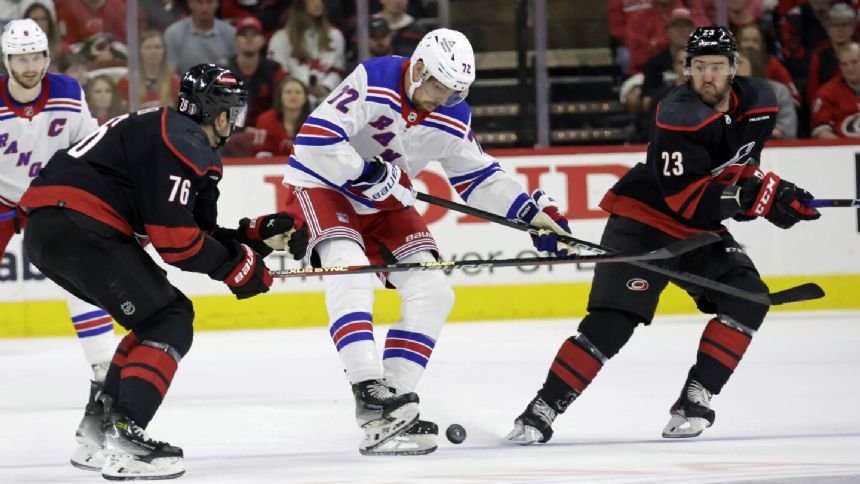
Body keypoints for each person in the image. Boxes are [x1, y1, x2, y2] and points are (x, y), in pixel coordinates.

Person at [505, 26, 821, 446]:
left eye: (718, 67)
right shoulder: (678, 111)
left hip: (697, 228)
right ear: (686, 69)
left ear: (734, 69)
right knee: (611, 325)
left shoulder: (761, 103)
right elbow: (687, 199)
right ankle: (541, 409)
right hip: (643, 220)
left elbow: (738, 171)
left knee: (748, 297)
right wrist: (751, 198)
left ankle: (695, 399)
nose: (709, 76)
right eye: (700, 67)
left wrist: (775, 196)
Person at [280, 28, 573, 456]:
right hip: (324, 185)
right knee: (350, 270)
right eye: (439, 87)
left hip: (385, 198)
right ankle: (367, 388)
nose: (443, 99)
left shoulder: (452, 114)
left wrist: (529, 213)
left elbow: (478, 176)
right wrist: (365, 172)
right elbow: (314, 140)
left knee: (434, 292)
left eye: (456, 92)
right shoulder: (374, 78)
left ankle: (390, 405)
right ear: (418, 70)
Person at [19, 63, 308, 480]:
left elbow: (197, 231)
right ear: (214, 111)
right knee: (169, 320)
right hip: (79, 226)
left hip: (55, 229)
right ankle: (127, 437)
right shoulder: (182, 139)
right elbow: (176, 243)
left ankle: (99, 433)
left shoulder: (176, 133)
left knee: (154, 318)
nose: (236, 121)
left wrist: (256, 237)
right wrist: (236, 267)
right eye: (233, 110)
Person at [0, 18, 121, 469]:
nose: (29, 67)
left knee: (79, 278)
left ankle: (104, 372)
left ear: (46, 56)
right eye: (20, 58)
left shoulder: (69, 91)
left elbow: (88, 148)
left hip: (51, 197)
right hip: (1, 197)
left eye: (36, 57)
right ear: (7, 60)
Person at [267, 0, 345, 105]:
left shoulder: (335, 36)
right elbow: (277, 73)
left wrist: (325, 87)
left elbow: (338, 70)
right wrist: (300, 88)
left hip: (327, 98)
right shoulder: (281, 38)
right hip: (292, 99)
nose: (318, 3)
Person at [227, 16, 286, 127]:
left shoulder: (275, 70)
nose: (249, 39)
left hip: (267, 128)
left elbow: (281, 106)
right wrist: (243, 131)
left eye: (254, 35)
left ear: (263, 40)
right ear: (236, 40)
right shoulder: (223, 71)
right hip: (231, 131)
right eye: (244, 35)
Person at [164, 0, 236, 76]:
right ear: (190, 4)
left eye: (209, 2)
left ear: (217, 4)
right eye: (200, 2)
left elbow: (238, 72)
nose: (204, 8)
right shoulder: (174, 33)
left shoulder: (230, 33)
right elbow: (170, 73)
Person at [118, 30, 180, 109]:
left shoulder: (175, 82)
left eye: (157, 47)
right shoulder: (126, 82)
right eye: (148, 47)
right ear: (139, 52)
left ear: (164, 51)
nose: (153, 51)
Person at [252, 77, 311, 157]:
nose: (293, 96)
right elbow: (261, 154)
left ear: (305, 98)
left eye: (298, 92)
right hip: (272, 168)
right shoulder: (265, 120)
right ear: (280, 97)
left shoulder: (315, 123)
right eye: (288, 92)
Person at [811, 42, 860, 138]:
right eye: (844, 64)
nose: (850, 68)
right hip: (844, 150)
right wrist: (844, 149)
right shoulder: (826, 92)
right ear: (840, 66)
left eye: (854, 62)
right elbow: (821, 131)